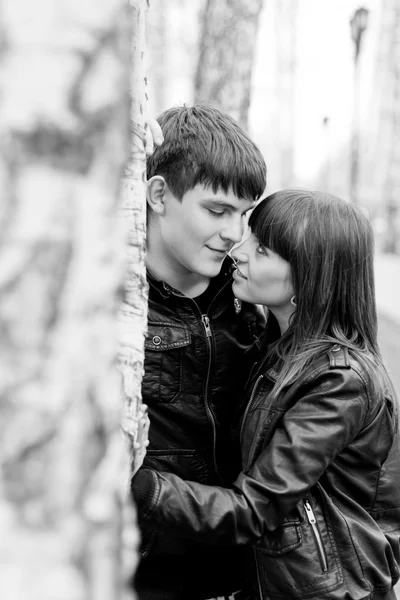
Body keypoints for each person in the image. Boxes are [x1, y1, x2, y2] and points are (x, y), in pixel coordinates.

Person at [132, 189, 400, 600]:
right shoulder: (275, 348)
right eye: (249, 238)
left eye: (263, 249)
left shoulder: (339, 381)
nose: (239, 251)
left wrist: (138, 485)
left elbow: (255, 507)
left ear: (310, 276)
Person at [134, 104, 267, 600]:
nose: (234, 233)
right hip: (144, 575)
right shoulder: (109, 302)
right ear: (159, 195)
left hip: (244, 573)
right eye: (217, 210)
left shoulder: (250, 306)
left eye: (244, 214)